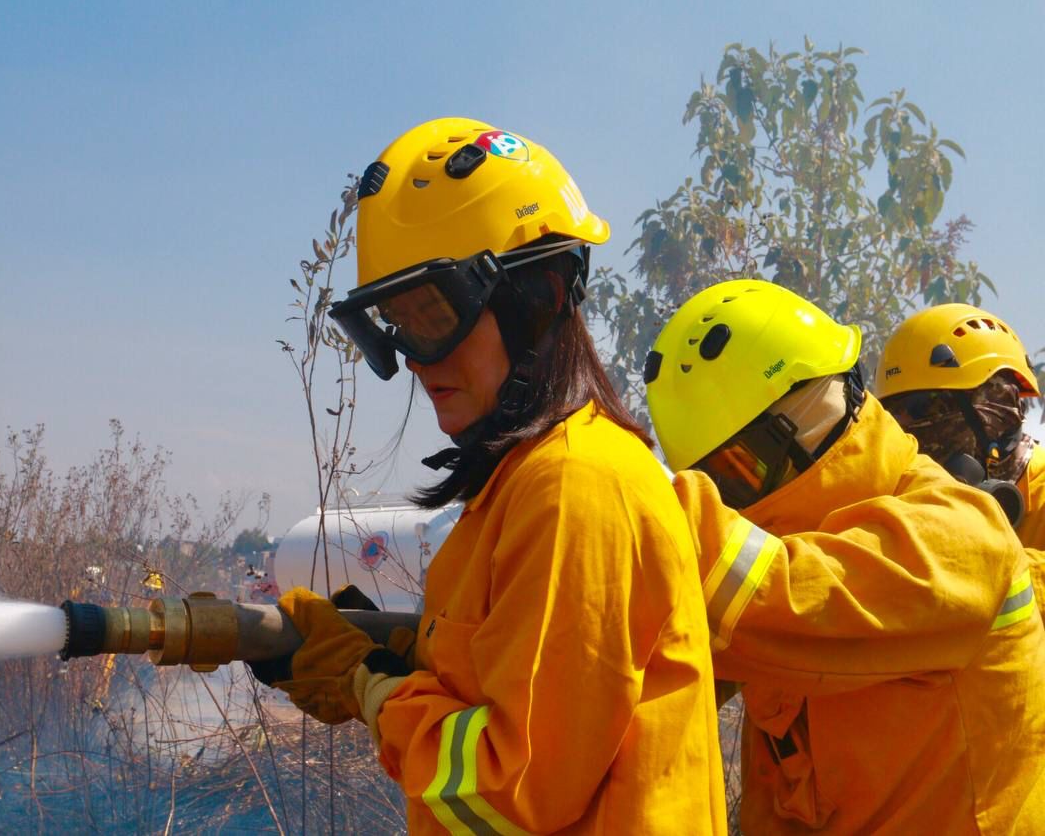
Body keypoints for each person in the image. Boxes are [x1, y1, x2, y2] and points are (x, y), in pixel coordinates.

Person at [252, 118, 727, 833]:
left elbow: (511, 788)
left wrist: (366, 683)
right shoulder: (516, 489)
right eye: (397, 324)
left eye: (434, 314)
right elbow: (504, 674)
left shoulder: (577, 487)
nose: (415, 358)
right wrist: (389, 651)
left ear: (538, 296)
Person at [644, 279, 1045, 833]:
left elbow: (779, 597)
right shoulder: (793, 546)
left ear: (800, 430)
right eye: (713, 482)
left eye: (737, 473)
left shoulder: (960, 534)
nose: (729, 500)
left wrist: (634, 496)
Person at [876, 304, 1045, 597]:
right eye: (893, 411)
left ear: (993, 406)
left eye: (919, 406)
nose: (902, 424)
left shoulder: (1040, 491)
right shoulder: (901, 498)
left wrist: (974, 564)